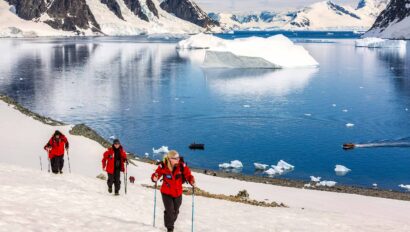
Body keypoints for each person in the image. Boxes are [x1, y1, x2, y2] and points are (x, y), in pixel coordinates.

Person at [151, 150, 195, 232]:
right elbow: (157, 173)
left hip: (178, 193)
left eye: (178, 158)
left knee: (176, 211)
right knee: (170, 211)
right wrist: (154, 178)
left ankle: (168, 219)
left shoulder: (182, 166)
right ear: (170, 159)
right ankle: (170, 228)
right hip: (166, 193)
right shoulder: (163, 166)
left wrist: (192, 180)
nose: (178, 160)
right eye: (175, 158)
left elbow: (188, 174)